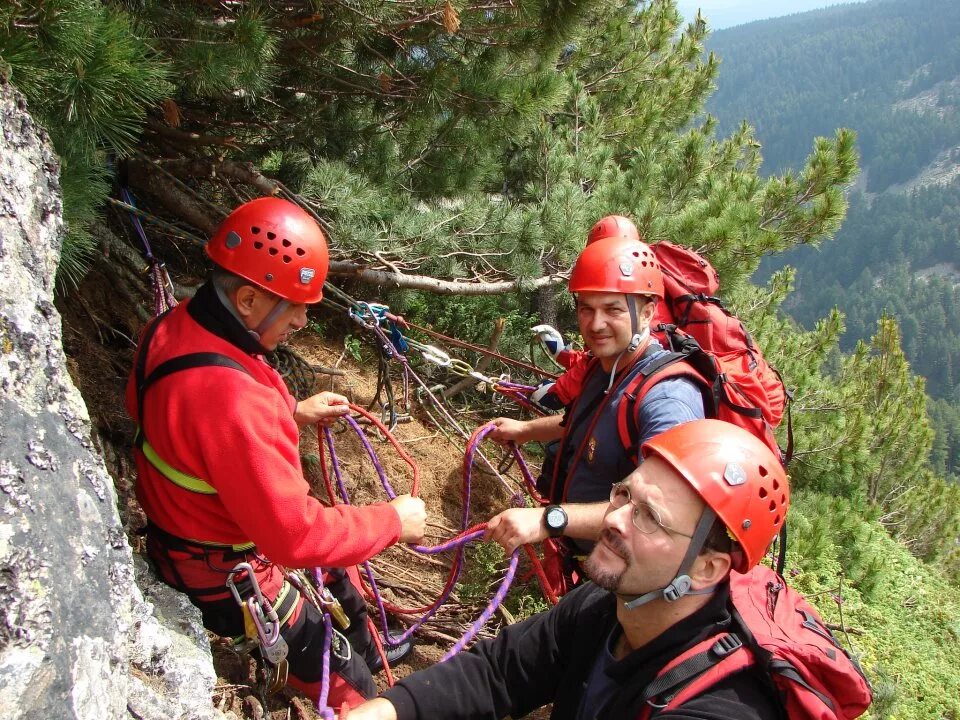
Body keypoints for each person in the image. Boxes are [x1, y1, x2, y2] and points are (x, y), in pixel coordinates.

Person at [125, 197, 426, 708]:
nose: (305, 320)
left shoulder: (174, 327)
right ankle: (363, 671)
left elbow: (193, 426)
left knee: (343, 571)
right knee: (356, 693)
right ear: (247, 300)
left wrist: (293, 411)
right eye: (297, 304)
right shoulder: (237, 401)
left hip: (194, 537)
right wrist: (394, 521)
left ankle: (370, 647)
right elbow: (296, 536)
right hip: (225, 576)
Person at [348, 419, 789, 720]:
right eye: (623, 496)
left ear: (708, 569)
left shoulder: (718, 707)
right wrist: (390, 709)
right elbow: (499, 671)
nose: (614, 520)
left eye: (650, 517)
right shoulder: (607, 605)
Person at [484, 216, 704, 562]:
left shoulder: (667, 397)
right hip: (580, 554)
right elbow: (587, 423)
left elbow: (659, 511)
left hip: (623, 576)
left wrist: (548, 519)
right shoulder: (604, 367)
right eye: (587, 308)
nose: (595, 324)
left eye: (612, 309)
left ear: (647, 313)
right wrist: (525, 430)